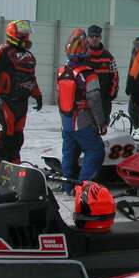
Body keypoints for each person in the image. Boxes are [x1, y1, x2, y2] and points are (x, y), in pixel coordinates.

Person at [0, 20, 42, 177]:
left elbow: (31, 78)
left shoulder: (29, 56)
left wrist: (37, 95)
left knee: (18, 136)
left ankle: (13, 164)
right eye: (22, 32)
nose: (26, 34)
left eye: (26, 31)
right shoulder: (1, 51)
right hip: (5, 101)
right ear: (13, 33)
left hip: (22, 102)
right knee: (4, 135)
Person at [56, 28, 107, 195]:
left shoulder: (62, 71)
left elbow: (60, 98)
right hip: (83, 121)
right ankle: (83, 189)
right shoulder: (88, 73)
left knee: (69, 155)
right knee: (95, 150)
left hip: (66, 122)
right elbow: (95, 100)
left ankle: (67, 187)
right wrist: (101, 122)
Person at [86, 24, 118, 124]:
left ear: (100, 38)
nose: (94, 39)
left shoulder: (108, 56)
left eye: (97, 36)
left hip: (104, 101)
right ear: (88, 38)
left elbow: (115, 76)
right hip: (86, 101)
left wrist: (111, 94)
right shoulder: (81, 56)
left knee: (103, 129)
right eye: (92, 36)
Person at [126, 36, 139, 126]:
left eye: (138, 44)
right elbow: (131, 71)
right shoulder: (134, 54)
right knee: (131, 111)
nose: (136, 46)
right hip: (133, 87)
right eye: (135, 44)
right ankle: (136, 129)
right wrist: (128, 85)